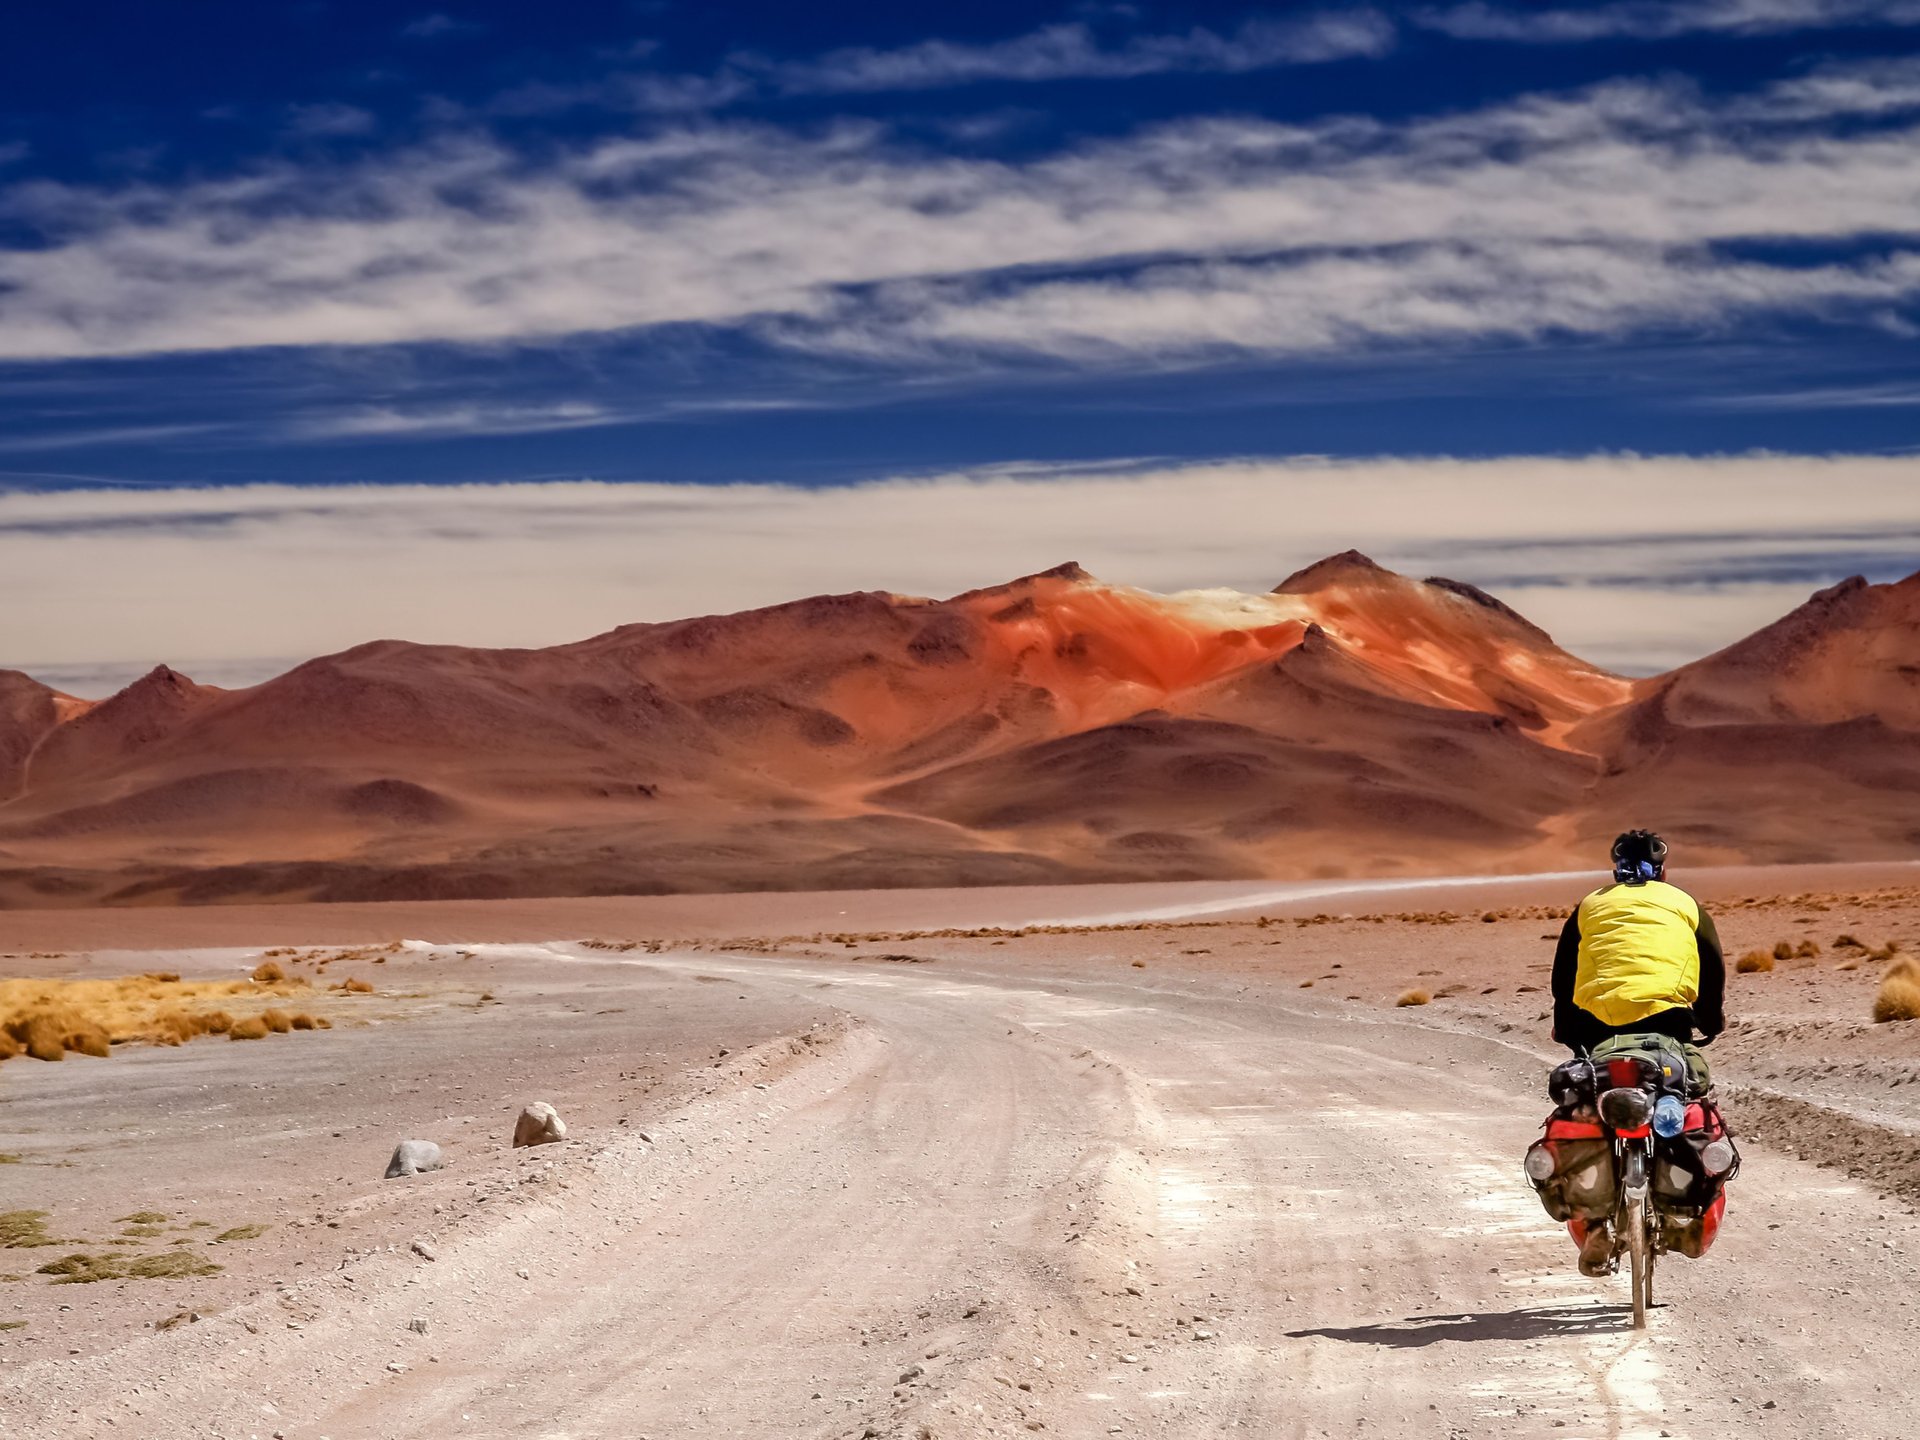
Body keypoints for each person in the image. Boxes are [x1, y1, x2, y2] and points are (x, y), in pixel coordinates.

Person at [1549, 828, 1726, 1275]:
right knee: (1684, 1092)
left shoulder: (1589, 906)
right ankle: (1683, 1208)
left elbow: (1563, 976)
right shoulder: (1685, 904)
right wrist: (1710, 1020)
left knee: (1591, 1101)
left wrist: (1567, 1028)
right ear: (1664, 869)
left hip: (1596, 1026)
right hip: (1666, 1024)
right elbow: (1712, 967)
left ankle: (1592, 1223)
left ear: (1614, 867)